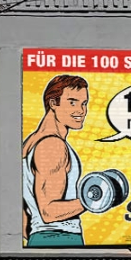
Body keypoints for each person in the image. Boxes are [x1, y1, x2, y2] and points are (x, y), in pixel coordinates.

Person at [22, 74, 90, 247]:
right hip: (61, 238)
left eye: (84, 103)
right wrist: (92, 200)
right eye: (72, 102)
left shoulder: (30, 142)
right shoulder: (52, 145)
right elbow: (48, 212)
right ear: (53, 104)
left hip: (39, 238)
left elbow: (24, 220)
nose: (81, 111)